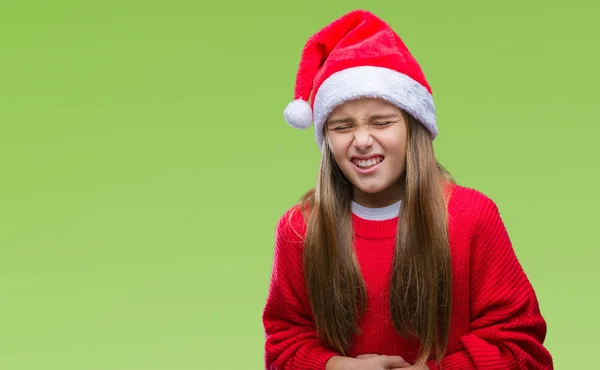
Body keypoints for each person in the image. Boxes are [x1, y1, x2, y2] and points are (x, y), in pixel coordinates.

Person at [262, 9, 553, 370]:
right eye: (341, 126)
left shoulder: (471, 217)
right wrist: (338, 366)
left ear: (414, 128)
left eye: (382, 122)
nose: (362, 140)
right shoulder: (300, 228)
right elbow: (284, 347)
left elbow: (520, 348)